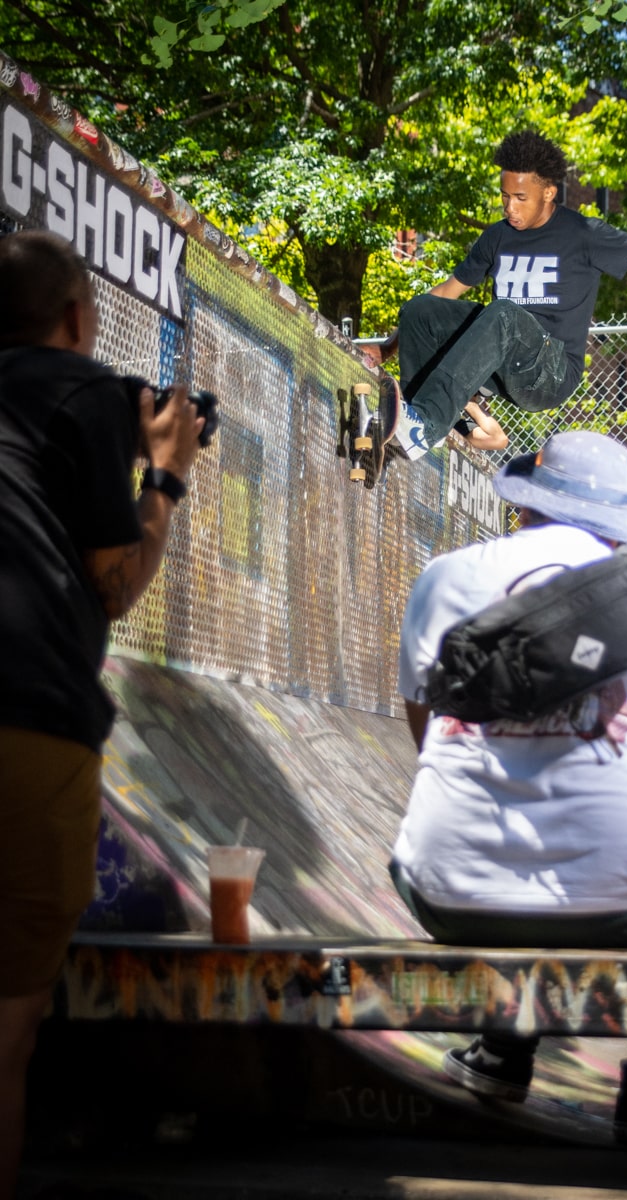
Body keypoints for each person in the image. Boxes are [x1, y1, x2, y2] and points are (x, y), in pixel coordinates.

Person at [390, 431, 627, 1143]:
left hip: (444, 891)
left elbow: (427, 730)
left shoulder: (445, 577)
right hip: (622, 904)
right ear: (621, 521)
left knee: (496, 798)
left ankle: (503, 1048)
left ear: (527, 503)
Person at [0, 230, 205, 1199]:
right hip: (25, 717)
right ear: (78, 318)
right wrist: (162, 472)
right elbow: (113, 584)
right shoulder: (80, 388)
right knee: (6, 1030)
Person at [383, 128, 627, 460]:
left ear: (549, 192)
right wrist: (387, 348)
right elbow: (447, 294)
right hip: (503, 363)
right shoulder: (496, 237)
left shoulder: (583, 234)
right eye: (504, 196)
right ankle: (438, 423)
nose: (510, 208)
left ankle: (425, 425)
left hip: (551, 370)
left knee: (504, 312)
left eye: (521, 198)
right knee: (421, 310)